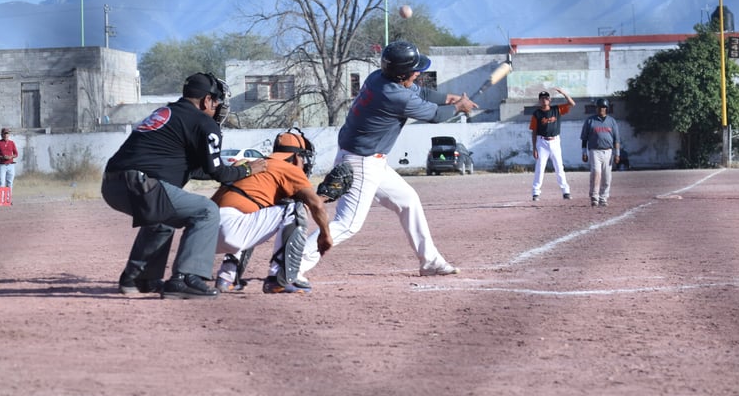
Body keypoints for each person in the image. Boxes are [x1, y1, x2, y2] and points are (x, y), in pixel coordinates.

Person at [297, 40, 478, 282]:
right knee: (348, 224)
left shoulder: (379, 78)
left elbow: (422, 93)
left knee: (408, 202)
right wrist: (458, 108)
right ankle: (292, 264)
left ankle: (430, 261)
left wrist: (449, 98)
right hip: (361, 162)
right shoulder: (395, 96)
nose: (418, 73)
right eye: (415, 70)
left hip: (371, 160)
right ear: (402, 74)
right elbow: (434, 115)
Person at [101, 72, 267, 300]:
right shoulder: (203, 122)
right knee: (206, 211)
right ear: (206, 100)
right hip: (142, 183)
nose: (218, 108)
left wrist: (230, 170)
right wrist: (248, 170)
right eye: (217, 102)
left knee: (163, 219)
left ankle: (138, 279)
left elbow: (195, 168)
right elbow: (217, 171)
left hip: (112, 184)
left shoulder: (166, 113)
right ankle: (186, 278)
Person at [211, 129, 333, 294]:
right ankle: (280, 279)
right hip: (231, 230)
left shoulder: (251, 165)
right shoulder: (289, 168)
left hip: (204, 235)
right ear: (297, 157)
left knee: (253, 211)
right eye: (303, 157)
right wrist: (325, 234)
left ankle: (227, 277)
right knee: (294, 208)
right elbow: (315, 205)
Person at [530, 88, 575, 201]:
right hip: (542, 142)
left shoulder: (557, 109)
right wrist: (534, 147)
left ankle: (566, 191)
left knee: (559, 167)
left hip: (555, 141)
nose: (544, 100)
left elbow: (572, 104)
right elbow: (534, 131)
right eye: (542, 99)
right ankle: (536, 192)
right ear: (539, 101)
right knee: (540, 167)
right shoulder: (537, 113)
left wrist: (564, 93)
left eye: (546, 98)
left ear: (549, 100)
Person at [580, 98, 621, 207]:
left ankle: (604, 197)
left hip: (608, 151)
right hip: (594, 151)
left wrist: (617, 154)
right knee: (596, 173)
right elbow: (584, 138)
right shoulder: (590, 121)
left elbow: (616, 139)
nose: (601, 109)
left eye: (603, 107)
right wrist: (584, 152)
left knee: (607, 176)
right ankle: (594, 197)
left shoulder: (611, 121)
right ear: (596, 108)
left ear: (606, 109)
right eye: (599, 107)